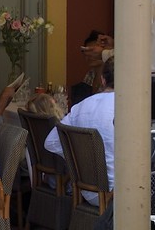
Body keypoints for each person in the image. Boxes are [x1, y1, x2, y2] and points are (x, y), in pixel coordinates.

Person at [46, 57, 116, 201]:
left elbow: (51, 142)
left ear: (102, 80)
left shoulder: (81, 107)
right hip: (118, 195)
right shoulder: (131, 109)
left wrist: (79, 161)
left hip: (87, 191)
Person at [70, 29, 112, 106]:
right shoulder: (90, 75)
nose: (90, 55)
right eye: (86, 52)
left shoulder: (112, 75)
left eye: (93, 51)